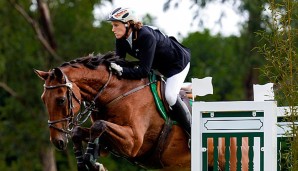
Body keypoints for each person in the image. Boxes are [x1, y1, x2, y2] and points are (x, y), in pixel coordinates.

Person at [107, 7, 191, 137]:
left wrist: (122, 71)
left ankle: (192, 132)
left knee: (170, 96)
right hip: (159, 66)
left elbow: (143, 71)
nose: (113, 29)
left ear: (128, 24)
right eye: (112, 25)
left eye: (116, 25)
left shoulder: (146, 37)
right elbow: (119, 62)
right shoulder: (121, 39)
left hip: (177, 64)